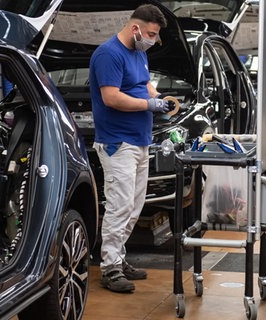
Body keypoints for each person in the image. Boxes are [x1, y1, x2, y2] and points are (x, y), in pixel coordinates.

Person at [89, 4, 170, 293]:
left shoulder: (139, 52)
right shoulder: (109, 54)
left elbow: (145, 85)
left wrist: (160, 98)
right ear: (135, 28)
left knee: (134, 209)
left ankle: (119, 259)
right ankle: (109, 268)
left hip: (140, 141)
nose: (151, 40)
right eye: (149, 34)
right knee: (119, 207)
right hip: (117, 143)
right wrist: (149, 105)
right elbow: (111, 97)